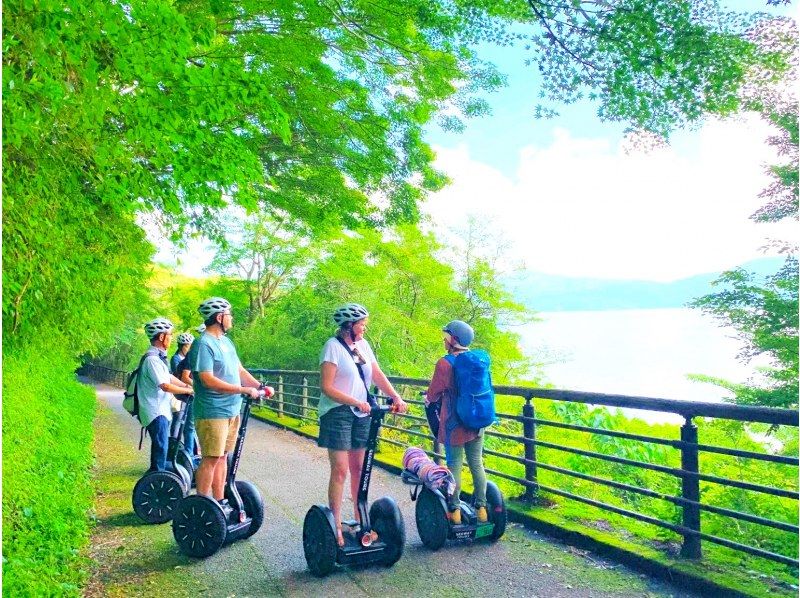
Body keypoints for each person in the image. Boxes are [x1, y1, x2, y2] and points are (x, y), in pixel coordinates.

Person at [318, 303, 408, 547]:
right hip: (337, 413)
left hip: (362, 413)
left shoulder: (363, 346)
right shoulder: (332, 347)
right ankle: (336, 526)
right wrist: (355, 401)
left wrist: (395, 396)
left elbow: (376, 374)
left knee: (359, 468)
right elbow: (326, 387)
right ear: (349, 326)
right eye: (361, 324)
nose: (365, 327)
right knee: (340, 470)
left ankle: (361, 521)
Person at [189, 297, 264, 500]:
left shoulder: (226, 342)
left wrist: (259, 386)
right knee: (211, 458)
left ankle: (219, 501)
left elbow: (240, 370)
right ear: (219, 317)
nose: (232, 319)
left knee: (222, 457)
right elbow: (206, 379)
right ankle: (202, 504)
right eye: (229, 315)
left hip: (231, 409)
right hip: (212, 411)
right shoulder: (203, 344)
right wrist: (242, 389)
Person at [425, 320, 488, 525]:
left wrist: (429, 398)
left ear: (453, 340)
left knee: (454, 466)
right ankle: (481, 509)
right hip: (477, 420)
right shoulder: (477, 360)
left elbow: (433, 394)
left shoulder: (445, 363)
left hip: (454, 423)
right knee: (476, 463)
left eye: (446, 337)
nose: (444, 340)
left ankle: (455, 511)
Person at [137, 317, 195, 473]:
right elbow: (165, 386)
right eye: (170, 334)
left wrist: (187, 386)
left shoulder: (158, 357)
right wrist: (188, 391)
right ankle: (157, 478)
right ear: (162, 337)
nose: (172, 338)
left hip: (160, 409)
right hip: (155, 411)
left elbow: (169, 377)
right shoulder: (152, 360)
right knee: (161, 447)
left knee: (161, 446)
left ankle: (157, 475)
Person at [169, 332, 195, 438]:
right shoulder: (176, 358)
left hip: (188, 391)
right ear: (182, 346)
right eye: (188, 346)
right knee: (178, 417)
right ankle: (174, 439)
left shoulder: (189, 358)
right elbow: (178, 375)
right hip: (179, 391)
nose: (189, 349)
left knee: (188, 421)